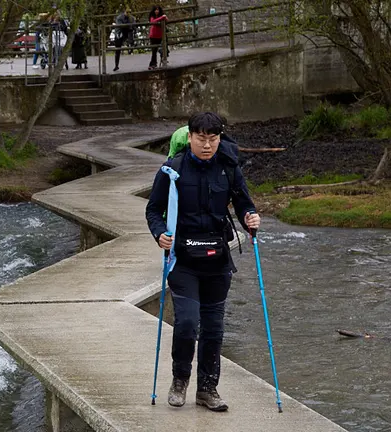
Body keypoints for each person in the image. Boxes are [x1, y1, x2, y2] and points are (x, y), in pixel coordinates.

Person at [145, 112, 261, 412]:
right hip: (182, 260)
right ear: (190, 137)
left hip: (218, 260)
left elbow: (244, 204)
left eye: (213, 138)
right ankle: (180, 380)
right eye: (201, 138)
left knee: (213, 329)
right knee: (186, 323)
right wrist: (160, 234)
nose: (207, 145)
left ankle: (208, 389)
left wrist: (251, 218)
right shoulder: (172, 169)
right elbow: (153, 210)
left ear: (219, 138)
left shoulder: (228, 168)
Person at [148, 5, 169, 70]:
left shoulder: (161, 15)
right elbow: (153, 22)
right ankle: (153, 64)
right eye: (155, 10)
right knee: (154, 51)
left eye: (158, 10)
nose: (156, 11)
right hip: (153, 36)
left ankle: (163, 60)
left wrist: (164, 17)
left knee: (164, 48)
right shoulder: (152, 16)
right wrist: (161, 17)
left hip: (160, 36)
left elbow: (167, 20)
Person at [113, 7, 134, 72]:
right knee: (117, 50)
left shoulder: (132, 18)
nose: (128, 13)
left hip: (127, 32)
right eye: (127, 12)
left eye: (129, 12)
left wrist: (131, 26)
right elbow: (120, 26)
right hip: (119, 33)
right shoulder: (119, 17)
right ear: (124, 12)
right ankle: (116, 65)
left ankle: (130, 47)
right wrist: (129, 25)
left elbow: (133, 26)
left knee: (131, 33)